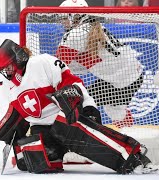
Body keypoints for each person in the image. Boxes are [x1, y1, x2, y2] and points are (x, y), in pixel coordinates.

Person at [0, 39, 157, 174]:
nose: (7, 74)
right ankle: (64, 153)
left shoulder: (43, 62)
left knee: (66, 127)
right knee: (36, 162)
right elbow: (23, 112)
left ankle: (133, 155)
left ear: (18, 59)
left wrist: (88, 107)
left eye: (8, 68)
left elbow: (74, 84)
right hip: (43, 128)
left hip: (68, 117)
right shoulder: (8, 86)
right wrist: (13, 130)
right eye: (3, 71)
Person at [56, 0, 144, 128]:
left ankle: (86, 137)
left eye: (64, 17)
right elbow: (80, 63)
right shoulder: (92, 26)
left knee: (81, 104)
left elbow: (57, 65)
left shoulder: (76, 34)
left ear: (74, 16)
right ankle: (129, 132)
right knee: (114, 110)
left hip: (122, 81)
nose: (62, 21)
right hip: (131, 76)